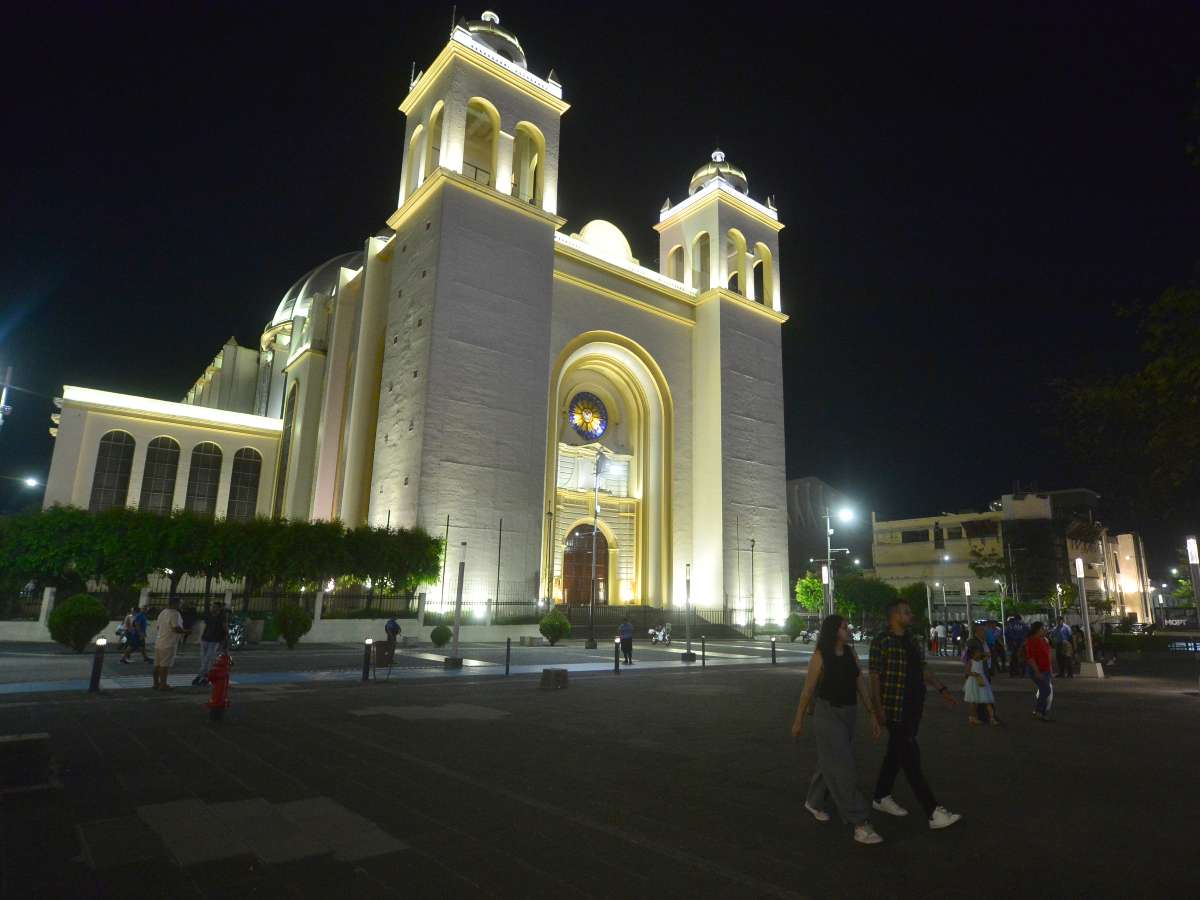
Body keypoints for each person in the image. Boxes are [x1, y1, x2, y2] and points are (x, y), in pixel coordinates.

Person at [869, 599, 962, 830]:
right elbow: (874, 677)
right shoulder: (882, 641)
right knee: (911, 757)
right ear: (894, 615)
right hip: (894, 706)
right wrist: (876, 708)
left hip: (914, 705)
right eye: (906, 612)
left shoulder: (912, 639)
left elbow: (923, 669)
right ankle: (932, 812)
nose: (910, 615)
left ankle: (881, 796)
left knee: (896, 752)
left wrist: (942, 689)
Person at [792, 615, 884, 845]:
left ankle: (813, 801)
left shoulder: (851, 654)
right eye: (844, 627)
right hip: (827, 714)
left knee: (830, 759)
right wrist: (798, 720)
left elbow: (861, 685)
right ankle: (860, 822)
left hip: (848, 713)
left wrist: (872, 713)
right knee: (844, 766)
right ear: (834, 631)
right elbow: (807, 690)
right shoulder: (820, 656)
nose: (848, 629)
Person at [963, 624, 998, 725]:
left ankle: (986, 717)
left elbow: (986, 656)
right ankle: (984, 717)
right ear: (977, 631)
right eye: (982, 630)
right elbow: (967, 657)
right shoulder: (973, 642)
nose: (985, 632)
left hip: (983, 674)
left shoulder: (983, 642)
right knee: (978, 699)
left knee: (982, 698)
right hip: (977, 677)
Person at [153, 598, 187, 691]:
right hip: (169, 643)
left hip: (159, 641)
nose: (181, 605)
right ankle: (163, 685)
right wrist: (186, 631)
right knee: (164, 665)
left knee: (157, 664)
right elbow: (175, 628)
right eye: (180, 603)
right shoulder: (175, 613)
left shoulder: (163, 612)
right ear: (175, 604)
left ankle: (156, 683)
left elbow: (158, 626)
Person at [193, 600, 228, 686]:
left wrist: (225, 641)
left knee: (208, 659)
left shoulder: (222, 617)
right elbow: (204, 627)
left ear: (219, 608)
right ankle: (204, 676)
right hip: (205, 639)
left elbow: (225, 629)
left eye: (215, 607)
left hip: (214, 640)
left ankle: (201, 676)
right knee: (204, 659)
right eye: (212, 606)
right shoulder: (208, 616)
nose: (212, 608)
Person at [1024, 621, 1054, 721]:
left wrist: (1050, 668)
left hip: (1046, 669)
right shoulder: (1031, 641)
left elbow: (1047, 654)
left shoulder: (1043, 640)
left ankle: (1042, 712)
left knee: (1044, 690)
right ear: (1037, 630)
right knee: (1046, 690)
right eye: (1042, 628)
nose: (1044, 630)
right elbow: (1030, 658)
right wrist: (1036, 671)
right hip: (1038, 670)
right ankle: (1039, 711)